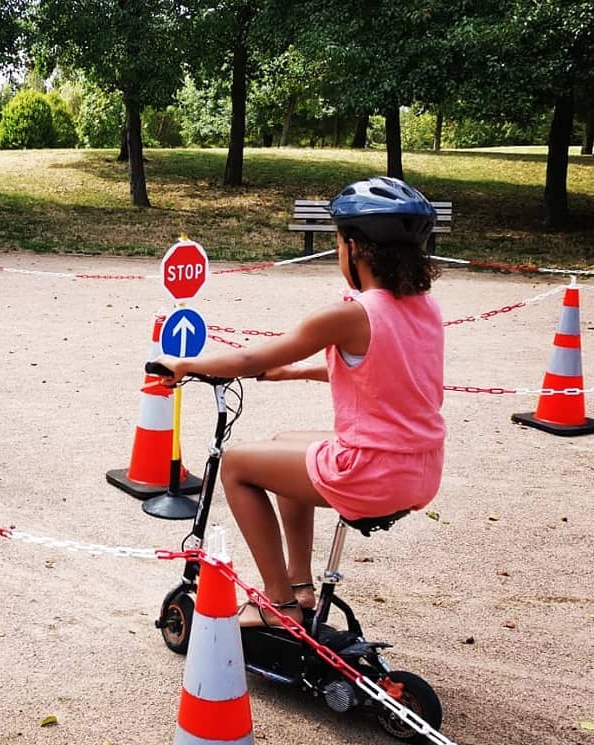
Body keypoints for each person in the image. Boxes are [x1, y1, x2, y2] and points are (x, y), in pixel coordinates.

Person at [156, 177, 446, 629]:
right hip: (420, 468)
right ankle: (299, 585)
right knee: (283, 442)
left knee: (236, 464)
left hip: (374, 472)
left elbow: (251, 358)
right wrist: (292, 373)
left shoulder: (350, 314)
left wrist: (184, 364)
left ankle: (277, 604)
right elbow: (382, 371)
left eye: (339, 242)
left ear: (354, 247)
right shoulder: (423, 307)